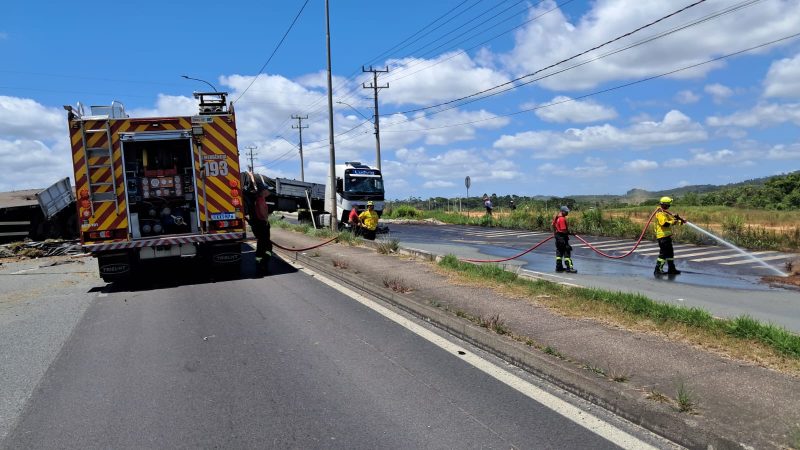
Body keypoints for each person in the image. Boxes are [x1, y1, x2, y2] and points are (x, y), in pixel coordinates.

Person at [244, 171, 272, 271]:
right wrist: (266, 219)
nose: (269, 192)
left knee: (263, 244)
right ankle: (262, 264)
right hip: (262, 225)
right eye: (267, 190)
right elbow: (262, 212)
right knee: (265, 246)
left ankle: (261, 263)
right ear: (263, 191)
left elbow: (255, 186)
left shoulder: (257, 198)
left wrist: (251, 176)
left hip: (257, 225)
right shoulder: (260, 200)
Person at [653, 196, 685, 276]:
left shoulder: (665, 213)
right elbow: (665, 224)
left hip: (667, 237)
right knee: (663, 254)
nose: (669, 206)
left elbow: (672, 220)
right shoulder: (660, 213)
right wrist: (675, 221)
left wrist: (681, 221)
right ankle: (658, 270)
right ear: (664, 204)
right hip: (662, 237)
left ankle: (671, 269)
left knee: (670, 253)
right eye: (668, 204)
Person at [552, 205, 577, 273]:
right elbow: (563, 230)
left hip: (558, 237)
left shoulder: (556, 218)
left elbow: (553, 225)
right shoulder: (562, 219)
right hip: (562, 238)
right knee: (567, 252)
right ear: (562, 211)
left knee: (559, 252)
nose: (567, 213)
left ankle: (559, 267)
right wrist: (570, 233)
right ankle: (569, 268)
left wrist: (555, 234)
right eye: (566, 212)